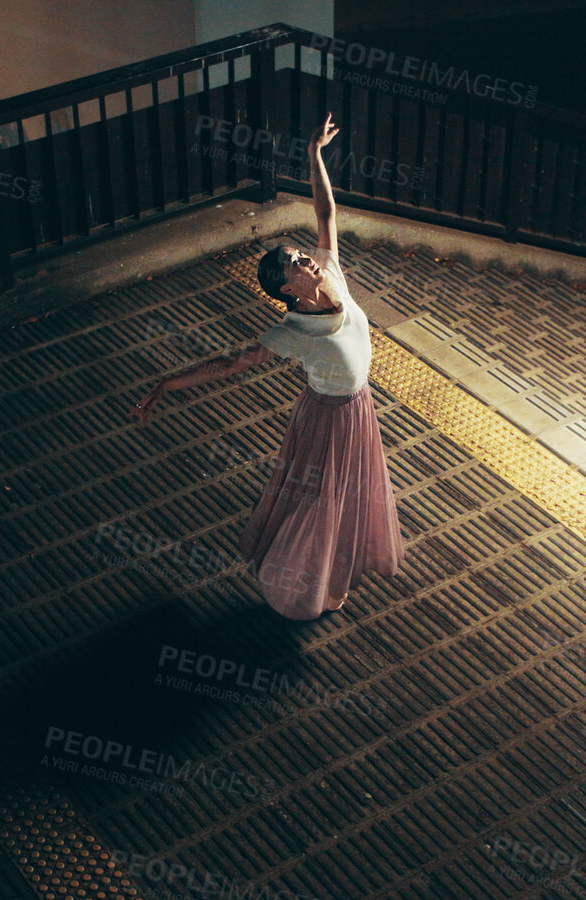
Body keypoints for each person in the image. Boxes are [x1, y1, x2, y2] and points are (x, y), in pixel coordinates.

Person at [128, 112, 404, 619]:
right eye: (297, 265)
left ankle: (331, 577)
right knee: (319, 506)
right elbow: (227, 366)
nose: (308, 262)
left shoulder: (334, 276)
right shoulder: (291, 331)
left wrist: (313, 155)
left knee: (346, 501)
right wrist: (167, 383)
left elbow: (326, 214)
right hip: (327, 419)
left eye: (302, 256)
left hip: (359, 409)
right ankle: (298, 588)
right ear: (286, 289)